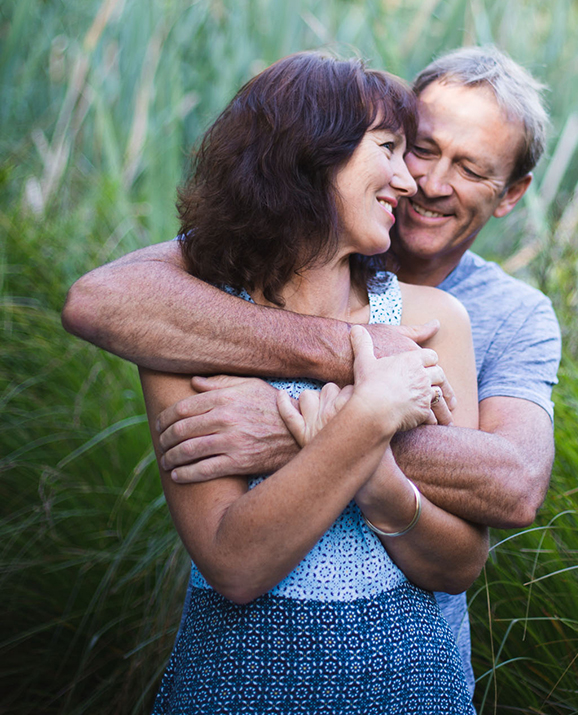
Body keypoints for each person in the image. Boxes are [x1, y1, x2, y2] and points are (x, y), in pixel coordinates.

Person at [62, 45, 562, 699]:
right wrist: (353, 358)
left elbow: (514, 488)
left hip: (413, 673)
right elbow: (97, 300)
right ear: (313, 157)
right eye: (412, 147)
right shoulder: (196, 312)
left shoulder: (474, 317)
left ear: (511, 192)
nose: (425, 183)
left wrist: (303, 423)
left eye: (469, 168)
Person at [134, 52, 488, 713]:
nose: (408, 180)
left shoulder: (432, 321)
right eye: (387, 148)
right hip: (237, 682)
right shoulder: (185, 330)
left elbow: (459, 565)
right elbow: (235, 564)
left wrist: (378, 479)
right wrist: (369, 414)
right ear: (310, 155)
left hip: (411, 684)